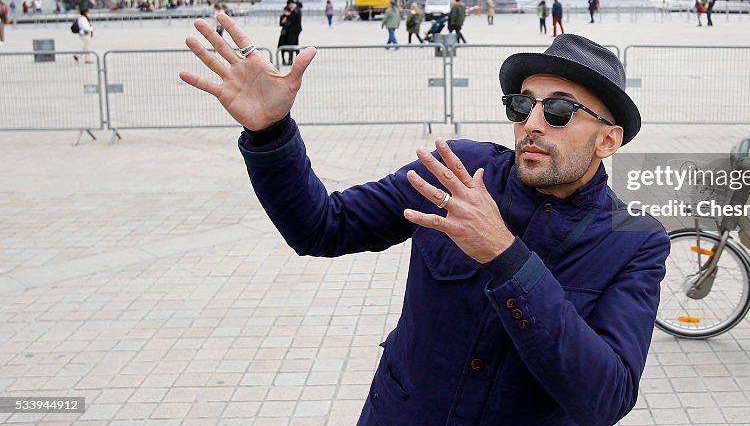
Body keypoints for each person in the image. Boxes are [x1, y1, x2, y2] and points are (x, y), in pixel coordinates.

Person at [178, 22, 669, 426]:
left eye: (560, 110)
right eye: (522, 104)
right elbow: (323, 227)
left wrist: (507, 256)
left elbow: (605, 398)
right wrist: (270, 132)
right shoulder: (458, 169)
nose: (532, 123)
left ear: (607, 141)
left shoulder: (635, 241)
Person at [278, 0, 301, 65]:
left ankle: (291, 60)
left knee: (292, 45)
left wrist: (287, 18)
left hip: (293, 31)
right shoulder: (295, 10)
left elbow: (291, 21)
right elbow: (281, 24)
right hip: (287, 33)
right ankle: (290, 60)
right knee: (292, 45)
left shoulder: (295, 11)